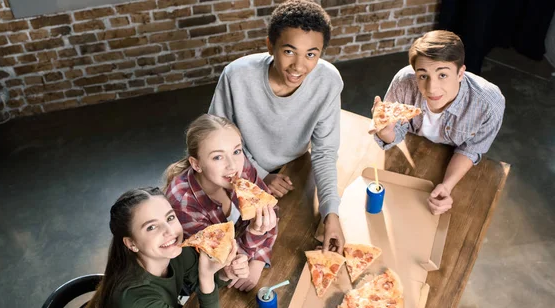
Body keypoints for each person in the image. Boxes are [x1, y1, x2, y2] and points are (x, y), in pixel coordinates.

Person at [208, 0, 345, 254]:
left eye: (311, 54)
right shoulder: (235, 75)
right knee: (231, 246)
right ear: (271, 45)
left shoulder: (328, 81)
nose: (299, 66)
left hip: (295, 170)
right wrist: (260, 174)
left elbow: (325, 152)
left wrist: (331, 213)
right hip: (239, 169)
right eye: (289, 51)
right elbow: (215, 143)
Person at [68, 187, 249, 308]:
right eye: (151, 227)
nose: (169, 231)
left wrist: (224, 274)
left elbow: (204, 286)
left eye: (170, 218)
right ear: (131, 244)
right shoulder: (132, 301)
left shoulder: (174, 251)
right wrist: (206, 277)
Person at [370, 30, 505, 215]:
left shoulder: (490, 104)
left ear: (460, 73)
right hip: (412, 148)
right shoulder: (403, 81)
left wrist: (447, 187)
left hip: (453, 160)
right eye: (423, 76)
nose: (432, 89)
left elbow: (470, 149)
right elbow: (395, 131)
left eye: (442, 75)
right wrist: (384, 132)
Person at [165, 114, 278, 293]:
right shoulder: (182, 203)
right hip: (202, 283)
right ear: (196, 164)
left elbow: (270, 211)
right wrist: (255, 233)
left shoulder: (240, 168)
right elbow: (220, 261)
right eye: (218, 157)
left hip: (244, 262)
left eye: (236, 151)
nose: (232, 165)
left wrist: (258, 261)